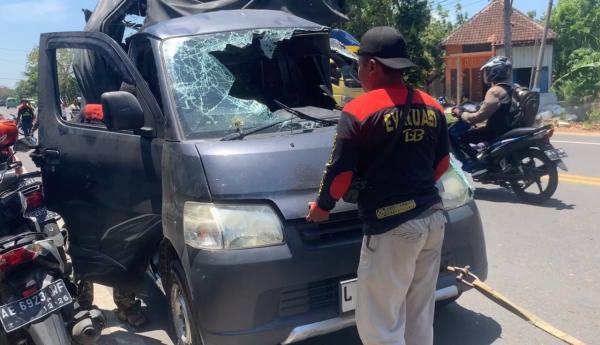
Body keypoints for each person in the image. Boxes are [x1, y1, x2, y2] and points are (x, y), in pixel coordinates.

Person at [306, 26, 450, 345]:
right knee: (418, 314)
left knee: (379, 325)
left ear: (372, 66)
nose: (357, 71)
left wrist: (321, 209)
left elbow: (340, 176)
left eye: (359, 64)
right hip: (432, 219)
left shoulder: (358, 110)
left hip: (391, 229)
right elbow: (442, 165)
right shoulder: (432, 106)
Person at [451, 56, 518, 171]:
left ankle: (473, 163)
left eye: (488, 71)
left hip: (495, 131)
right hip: (509, 129)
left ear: (495, 71)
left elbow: (478, 117)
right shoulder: (514, 88)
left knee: (459, 138)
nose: (486, 74)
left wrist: (462, 114)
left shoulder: (495, 91)